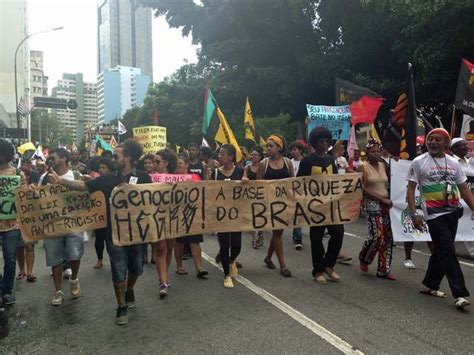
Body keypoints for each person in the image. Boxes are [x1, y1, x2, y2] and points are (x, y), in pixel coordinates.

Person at [48, 139, 151, 325]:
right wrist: (60, 180)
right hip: (114, 234)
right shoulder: (108, 178)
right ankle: (121, 306)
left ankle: (130, 289)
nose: (114, 158)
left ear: (128, 158)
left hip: (138, 234)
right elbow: (83, 187)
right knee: (118, 269)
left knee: (137, 267)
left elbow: (158, 200)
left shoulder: (144, 177)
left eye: (117, 155)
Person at [407, 128, 474, 309]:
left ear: (446, 144)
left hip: (453, 213)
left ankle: (429, 284)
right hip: (434, 215)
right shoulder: (418, 162)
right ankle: (460, 294)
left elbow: (464, 188)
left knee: (441, 251)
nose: (433, 143)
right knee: (447, 250)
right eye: (430, 140)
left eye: (437, 140)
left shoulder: (454, 163)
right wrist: (413, 214)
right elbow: (411, 189)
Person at [297, 127, 344, 284]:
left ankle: (329, 265)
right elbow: (299, 183)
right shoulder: (307, 161)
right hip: (314, 206)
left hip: (331, 206)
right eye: (321, 141)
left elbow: (336, 180)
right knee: (316, 238)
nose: (324, 144)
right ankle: (318, 270)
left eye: (326, 141)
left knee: (338, 233)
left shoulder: (331, 160)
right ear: (314, 143)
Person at [43, 148, 84, 306]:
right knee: (55, 258)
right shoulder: (45, 177)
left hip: (74, 223)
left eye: (53, 157)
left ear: (64, 158)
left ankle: (74, 279)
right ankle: (58, 290)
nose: (51, 160)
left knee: (75, 255)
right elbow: (36, 196)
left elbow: (85, 191)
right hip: (53, 224)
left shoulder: (76, 175)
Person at [358, 140, 395, 280]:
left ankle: (383, 269)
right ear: (367, 153)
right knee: (376, 236)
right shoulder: (362, 167)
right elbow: (361, 187)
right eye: (373, 151)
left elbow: (392, 178)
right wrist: (380, 199)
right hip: (372, 203)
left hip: (386, 204)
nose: (376, 154)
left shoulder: (383, 165)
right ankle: (364, 258)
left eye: (378, 151)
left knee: (387, 237)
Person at [258, 135, 293, 278]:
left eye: (271, 146)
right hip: (270, 203)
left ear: (279, 147)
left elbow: (292, 182)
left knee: (278, 232)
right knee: (277, 231)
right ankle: (283, 265)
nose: (268, 149)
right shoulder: (263, 163)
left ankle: (268, 258)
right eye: (267, 146)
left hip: (284, 203)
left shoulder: (287, 162)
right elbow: (258, 184)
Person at [212, 144, 246, 288]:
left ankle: (232, 260)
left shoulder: (240, 170)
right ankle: (226, 274)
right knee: (224, 245)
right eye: (219, 154)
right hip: (221, 215)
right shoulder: (215, 173)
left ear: (230, 157)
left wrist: (246, 181)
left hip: (236, 214)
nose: (219, 156)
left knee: (237, 245)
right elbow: (209, 192)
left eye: (222, 154)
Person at [174, 154, 209, 279]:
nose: (179, 166)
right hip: (178, 213)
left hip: (193, 213)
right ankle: (179, 265)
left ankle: (199, 267)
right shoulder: (171, 178)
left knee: (195, 241)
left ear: (187, 165)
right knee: (179, 241)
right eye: (177, 164)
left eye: (181, 163)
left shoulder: (195, 177)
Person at [151, 148, 179, 298]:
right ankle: (162, 282)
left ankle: (165, 276)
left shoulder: (176, 179)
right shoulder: (149, 178)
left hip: (172, 217)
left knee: (169, 247)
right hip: (155, 217)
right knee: (160, 248)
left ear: (166, 163)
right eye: (154, 161)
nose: (154, 164)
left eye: (157, 161)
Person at [0, 140, 25, 305]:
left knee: (9, 258)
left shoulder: (17, 174)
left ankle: (7, 290)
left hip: (12, 224)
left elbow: (25, 198)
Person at [450, 137, 474, 259]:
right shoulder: (451, 161)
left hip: (468, 198)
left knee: (468, 225)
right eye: (462, 145)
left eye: (466, 145)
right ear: (454, 148)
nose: (466, 147)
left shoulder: (469, 162)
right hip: (456, 199)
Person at [93, 157, 115, 269]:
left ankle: (113, 260)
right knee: (99, 239)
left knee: (111, 240)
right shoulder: (97, 181)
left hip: (112, 215)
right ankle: (99, 259)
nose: (101, 170)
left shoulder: (115, 180)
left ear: (110, 169)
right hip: (99, 215)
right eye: (99, 168)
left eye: (103, 168)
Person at [243, 147, 264, 249]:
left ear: (260, 157)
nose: (253, 156)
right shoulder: (247, 167)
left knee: (260, 214)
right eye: (252, 154)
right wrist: (245, 179)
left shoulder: (263, 167)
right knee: (251, 216)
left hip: (261, 194)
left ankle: (259, 231)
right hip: (250, 195)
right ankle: (254, 237)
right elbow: (244, 178)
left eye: (255, 154)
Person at [289, 141, 305, 250]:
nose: (293, 152)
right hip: (293, 191)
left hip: (305, 190)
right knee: (297, 213)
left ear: (300, 150)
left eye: (295, 149)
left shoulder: (306, 162)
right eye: (292, 150)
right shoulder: (289, 163)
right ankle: (297, 237)